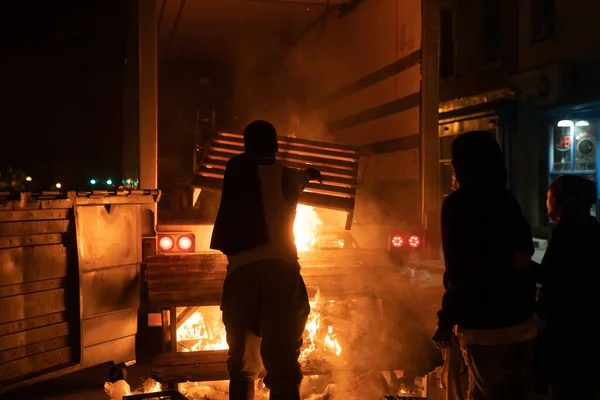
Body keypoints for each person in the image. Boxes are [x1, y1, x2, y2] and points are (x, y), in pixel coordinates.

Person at [210, 120, 323, 400]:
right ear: (275, 146)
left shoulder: (235, 172)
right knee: (283, 363)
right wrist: (310, 173)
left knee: (242, 365)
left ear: (246, 146)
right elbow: (305, 177)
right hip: (282, 275)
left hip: (241, 277)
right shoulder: (289, 176)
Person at [432, 130, 538, 400]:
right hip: (522, 323)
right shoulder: (507, 202)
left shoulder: (457, 205)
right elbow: (523, 257)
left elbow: (459, 269)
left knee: (483, 393)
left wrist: (446, 321)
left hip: (484, 328)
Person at [537, 175, 599, 400]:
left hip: (567, 334)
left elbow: (554, 276)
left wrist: (521, 265)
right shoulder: (593, 228)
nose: (548, 201)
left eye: (550, 196)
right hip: (590, 333)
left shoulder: (566, 233)